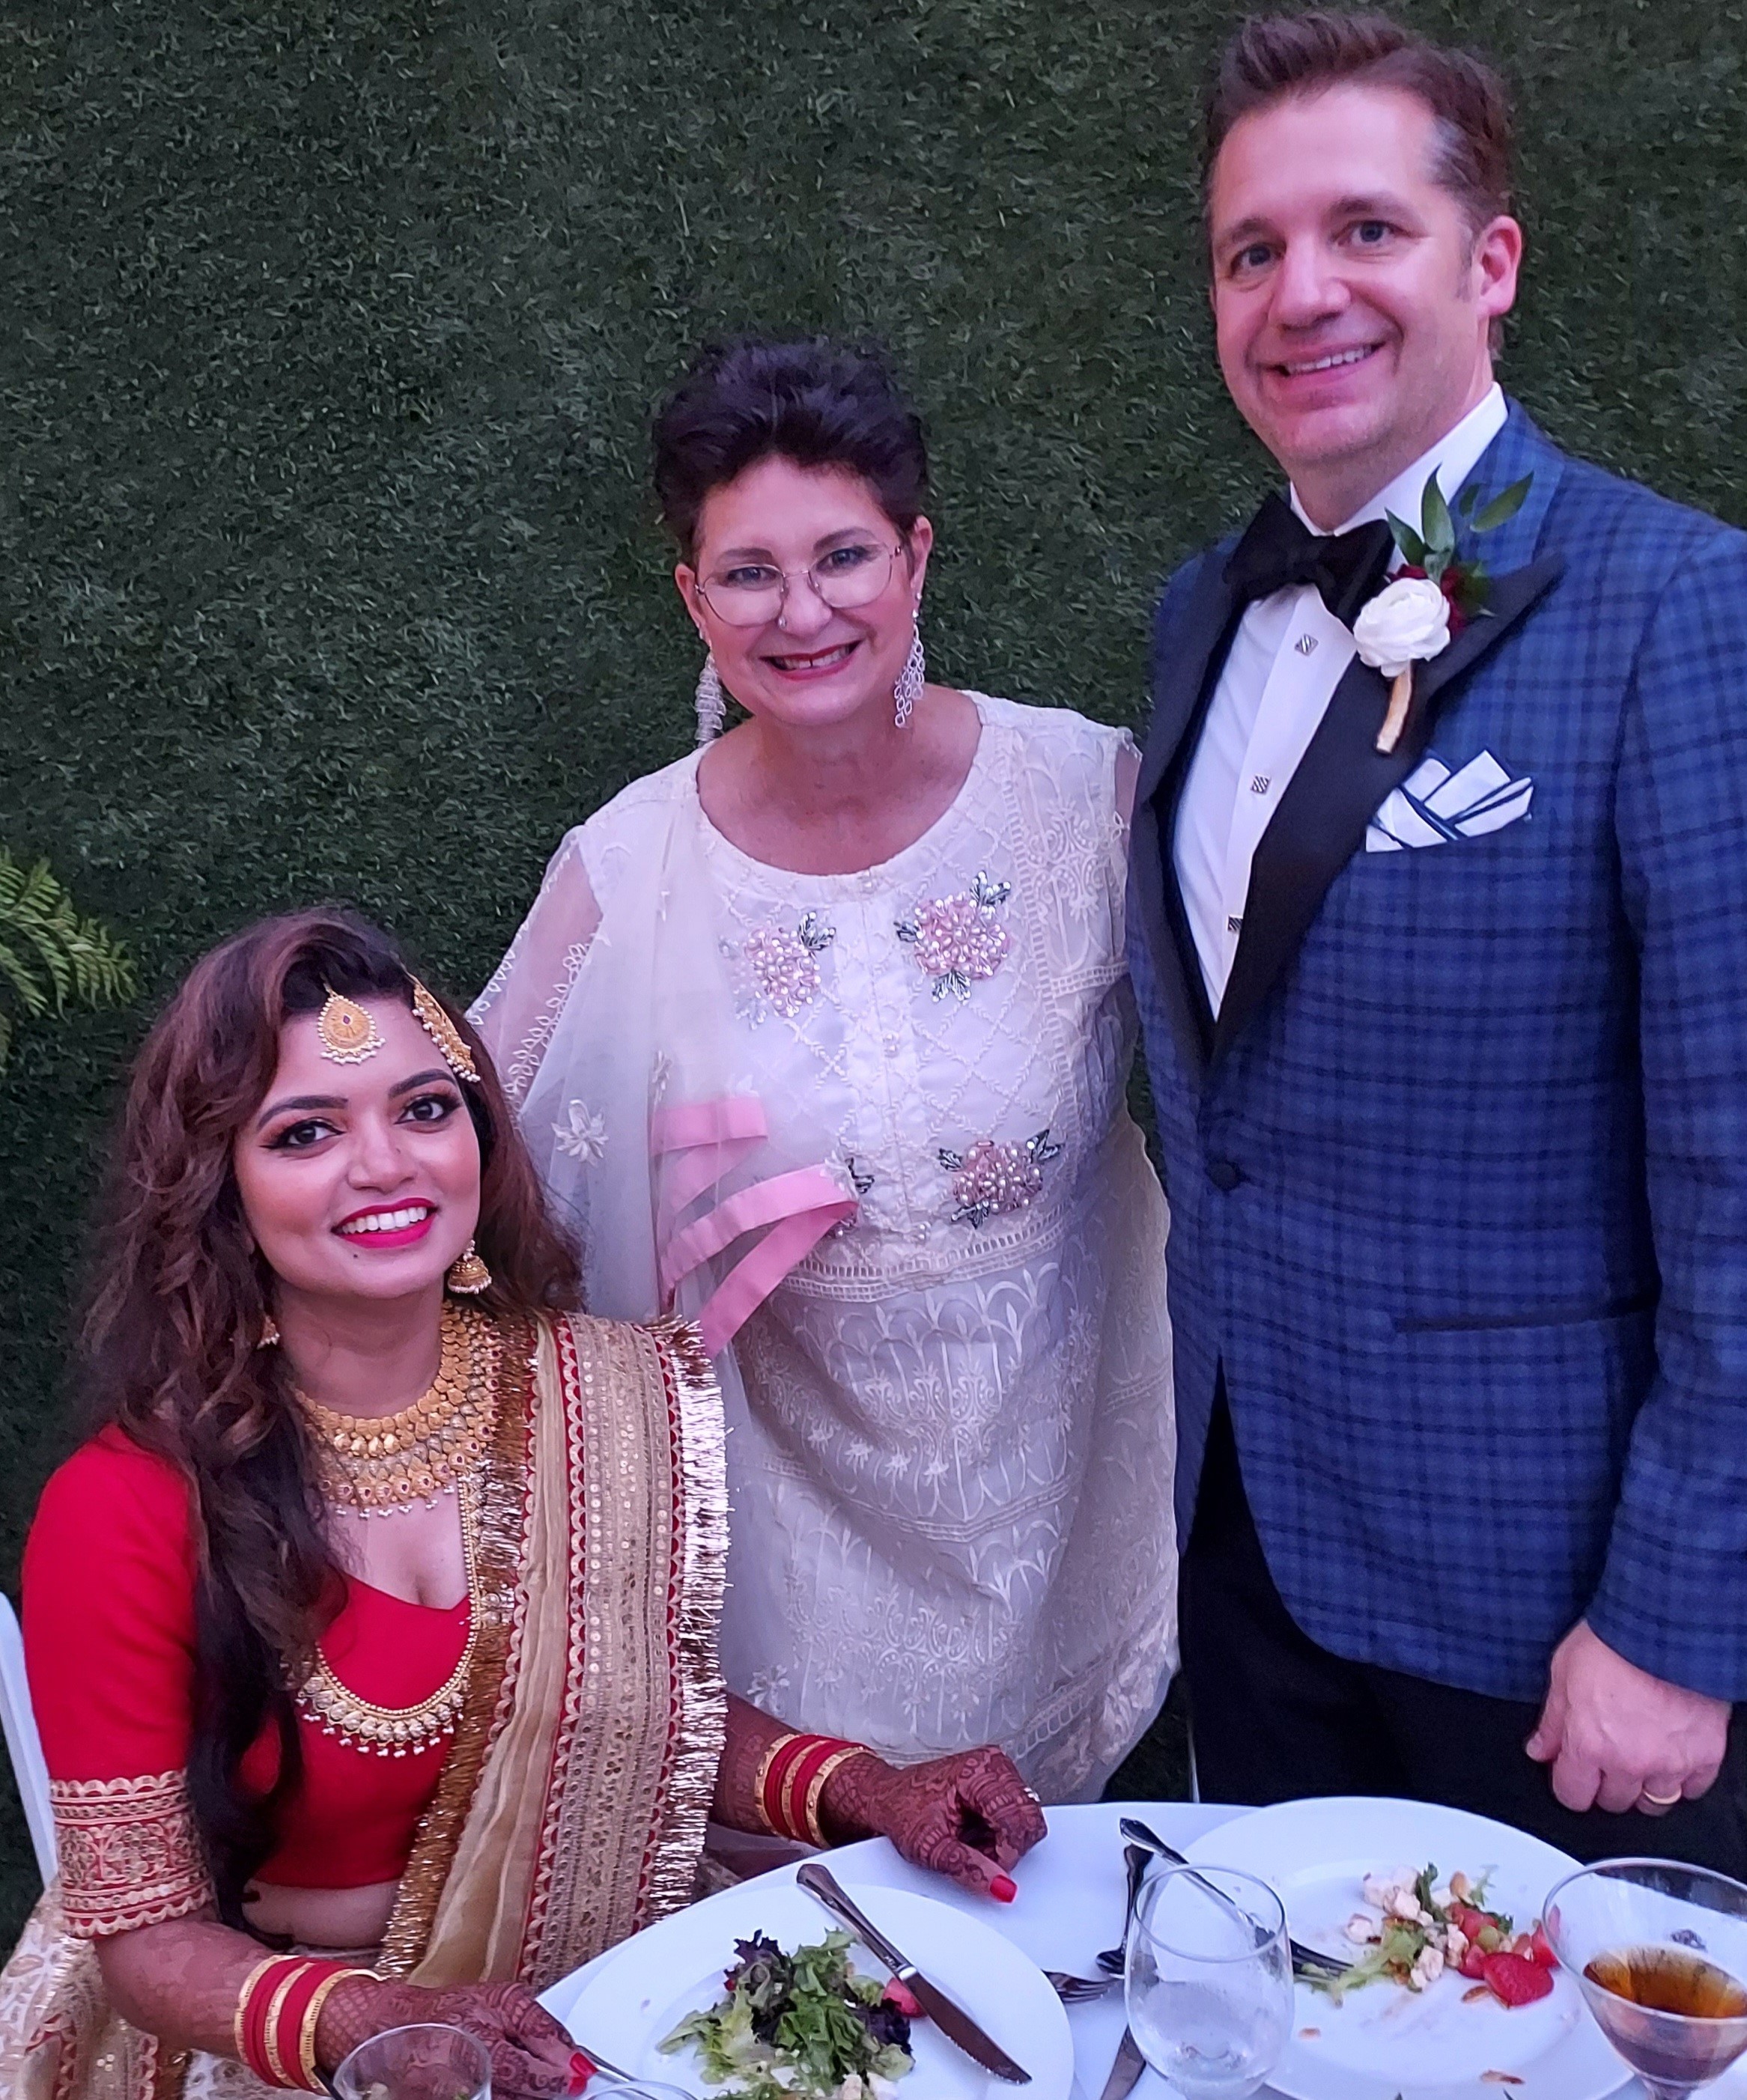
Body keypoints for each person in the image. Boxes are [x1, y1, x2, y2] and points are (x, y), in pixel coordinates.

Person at [0, 910, 1045, 2099]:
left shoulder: (589, 1392)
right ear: (221, 1191)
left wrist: (867, 1789)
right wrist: (380, 2022)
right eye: (306, 1131)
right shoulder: (128, 1506)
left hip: (602, 1989)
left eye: (424, 1108)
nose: (385, 1163)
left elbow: (644, 1721)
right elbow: (145, 1944)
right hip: (291, 2036)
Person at [1128, 8, 1747, 1866]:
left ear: (1492, 264)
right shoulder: (1200, 611)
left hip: (1552, 1619)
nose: (1301, 291)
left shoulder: (1682, 608)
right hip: (1251, 1557)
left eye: (1366, 229)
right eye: (1251, 251)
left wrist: (1679, 1617)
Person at [472, 337, 1176, 1803]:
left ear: (916, 556)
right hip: (788, 1590)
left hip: (1080, 1530)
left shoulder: (1081, 798)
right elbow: (473, 1170)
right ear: (693, 599)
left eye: (844, 555)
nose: (801, 612)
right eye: (749, 573)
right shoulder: (627, 869)